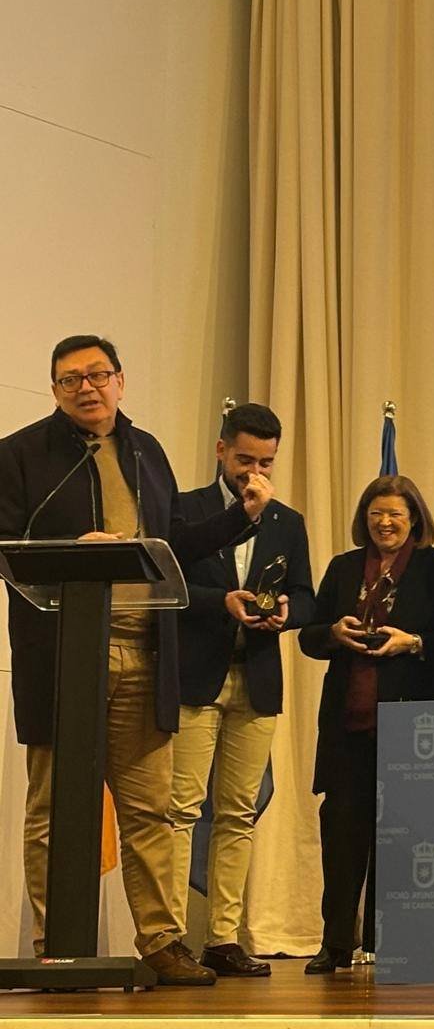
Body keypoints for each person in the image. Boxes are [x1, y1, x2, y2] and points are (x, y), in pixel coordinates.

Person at [0, 335, 270, 984]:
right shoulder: (20, 454)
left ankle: (161, 943)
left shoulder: (147, 451)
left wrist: (240, 518)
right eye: (70, 380)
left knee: (151, 810)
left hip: (145, 653)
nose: (86, 388)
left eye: (97, 375)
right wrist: (75, 550)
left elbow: (172, 543)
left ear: (121, 380)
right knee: (54, 809)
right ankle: (53, 942)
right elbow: (6, 546)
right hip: (64, 656)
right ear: (55, 390)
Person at [169, 402, 314, 977]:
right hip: (196, 680)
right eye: (245, 459)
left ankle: (223, 939)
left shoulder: (287, 522)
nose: (254, 472)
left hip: (256, 680)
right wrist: (220, 603)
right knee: (181, 811)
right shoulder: (186, 510)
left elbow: (307, 596)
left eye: (266, 462)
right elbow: (166, 587)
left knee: (238, 813)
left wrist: (287, 611)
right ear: (221, 450)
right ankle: (168, 937)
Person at [298, 475, 434, 974]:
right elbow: (308, 637)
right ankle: (335, 943)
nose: (385, 523)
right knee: (341, 836)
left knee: (404, 836)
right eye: (375, 515)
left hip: (413, 728)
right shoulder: (344, 567)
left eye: (395, 515)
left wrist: (413, 642)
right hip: (348, 725)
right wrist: (334, 632)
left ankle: (391, 941)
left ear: (414, 519)